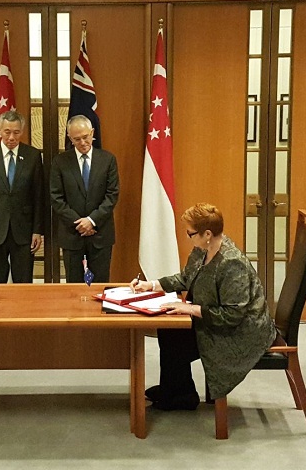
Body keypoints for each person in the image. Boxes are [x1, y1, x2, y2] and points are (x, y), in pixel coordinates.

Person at [130, 203, 276, 411]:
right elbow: (185, 278)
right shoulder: (203, 250)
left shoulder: (232, 263)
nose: (188, 237)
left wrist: (191, 309)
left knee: (176, 338)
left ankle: (179, 395)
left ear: (207, 233)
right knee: (169, 329)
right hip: (219, 320)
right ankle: (177, 390)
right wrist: (151, 285)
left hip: (241, 332)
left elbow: (233, 315)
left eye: (190, 233)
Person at [0, 110, 44, 283]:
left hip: (24, 230)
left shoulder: (33, 156)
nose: (11, 137)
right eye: (7, 132)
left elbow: (38, 196)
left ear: (22, 131)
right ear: (0, 129)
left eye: (16, 132)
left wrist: (37, 231)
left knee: (24, 281)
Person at [50, 114, 119, 283]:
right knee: (73, 287)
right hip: (72, 235)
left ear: (92, 132)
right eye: (77, 139)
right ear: (69, 138)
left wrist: (92, 220)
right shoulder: (60, 162)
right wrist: (79, 223)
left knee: (100, 285)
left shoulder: (107, 160)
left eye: (86, 137)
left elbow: (112, 195)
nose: (82, 143)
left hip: (100, 234)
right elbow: (56, 197)